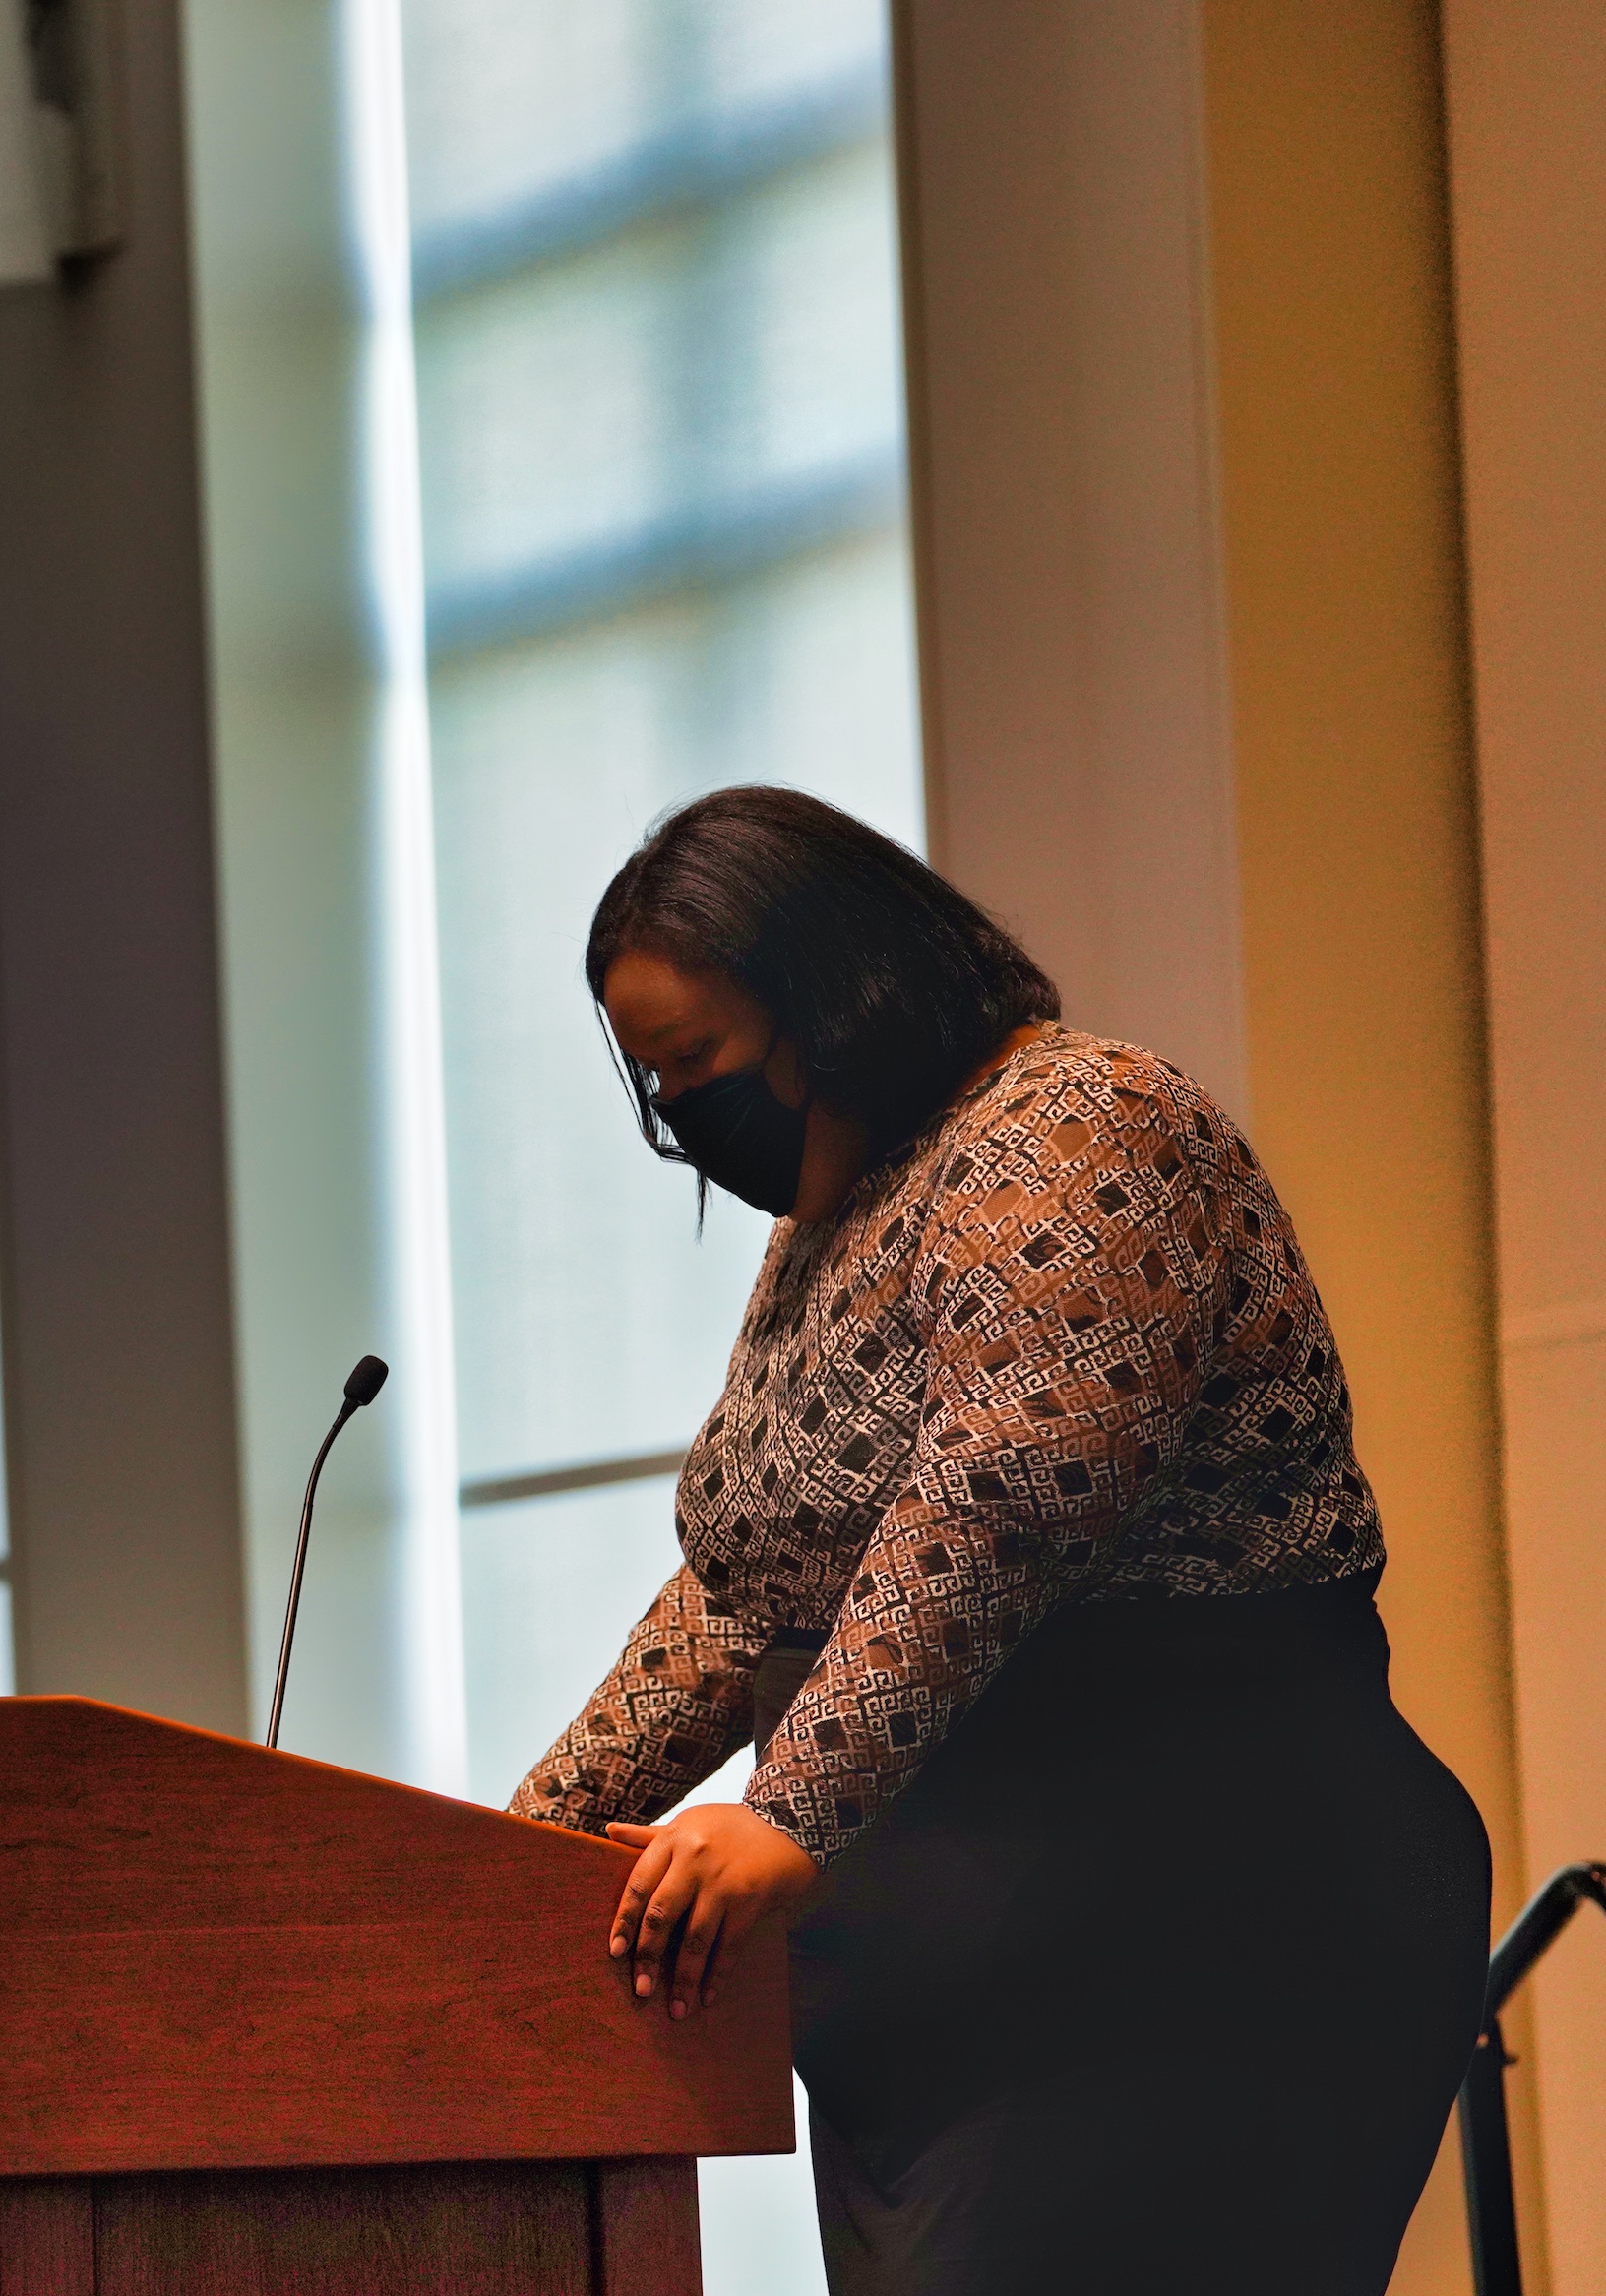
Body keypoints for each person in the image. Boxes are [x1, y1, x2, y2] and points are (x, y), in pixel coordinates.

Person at [507, 787, 1491, 2295]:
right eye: (652, 1085)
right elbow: (748, 1581)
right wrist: (521, 1844)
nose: (682, 1127)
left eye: (691, 1066)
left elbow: (1001, 1497)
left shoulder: (1077, 1124)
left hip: (1190, 1931)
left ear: (832, 994)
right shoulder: (833, 1222)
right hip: (944, 1992)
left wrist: (786, 1813)